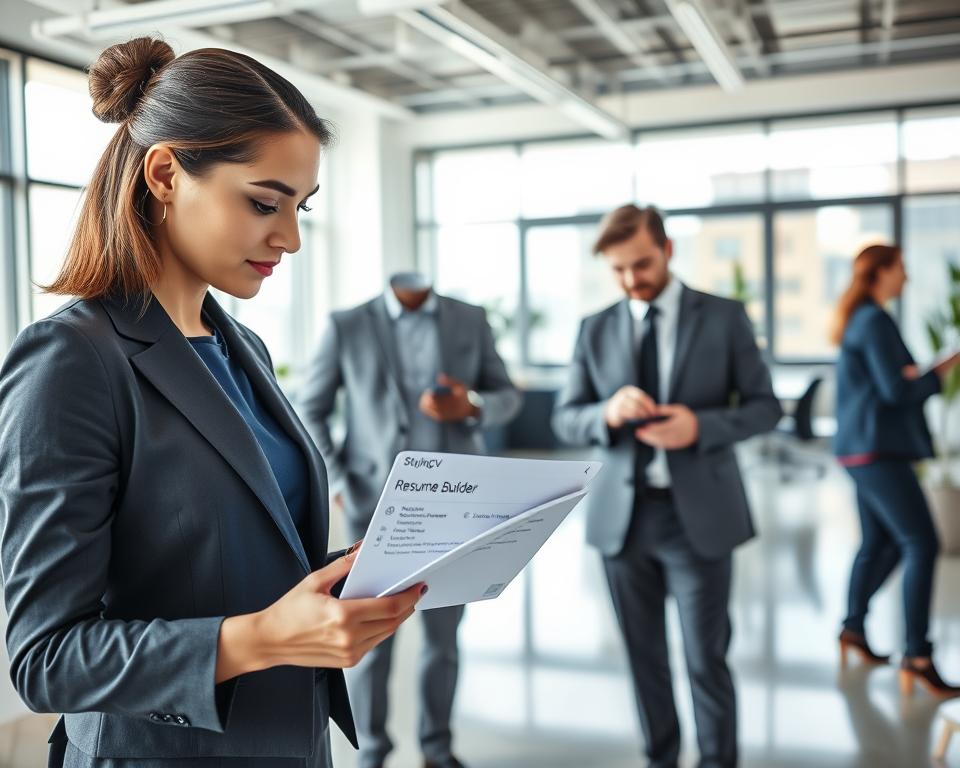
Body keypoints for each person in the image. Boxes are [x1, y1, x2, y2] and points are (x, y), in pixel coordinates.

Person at [0, 37, 425, 768]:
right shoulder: (72, 360)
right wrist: (263, 637)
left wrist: (345, 579)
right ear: (165, 173)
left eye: (301, 208)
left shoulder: (242, 349)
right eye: (265, 203)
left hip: (293, 744)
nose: (289, 237)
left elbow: (225, 549)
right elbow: (47, 659)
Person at [552, 205, 781, 768]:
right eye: (620, 270)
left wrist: (700, 426)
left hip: (697, 517)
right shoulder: (595, 327)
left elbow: (765, 408)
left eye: (642, 264)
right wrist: (605, 412)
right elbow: (565, 418)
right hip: (622, 522)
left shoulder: (724, 317)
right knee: (643, 659)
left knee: (706, 660)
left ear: (669, 249)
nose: (633, 279)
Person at [300, 270, 522, 768]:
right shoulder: (347, 324)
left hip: (458, 506)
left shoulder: (470, 319)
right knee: (369, 641)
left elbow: (507, 396)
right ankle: (371, 753)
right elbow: (309, 409)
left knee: (444, 641)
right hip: (375, 508)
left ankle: (437, 750)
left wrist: (473, 406)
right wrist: (337, 479)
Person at [832, 244, 960, 697]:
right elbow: (893, 391)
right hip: (877, 450)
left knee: (879, 543)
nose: (905, 277)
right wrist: (939, 374)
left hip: (861, 448)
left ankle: (852, 628)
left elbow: (888, 381)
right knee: (921, 543)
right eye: (901, 269)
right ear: (881, 272)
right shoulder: (874, 320)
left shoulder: (863, 318)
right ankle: (918, 655)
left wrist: (916, 376)